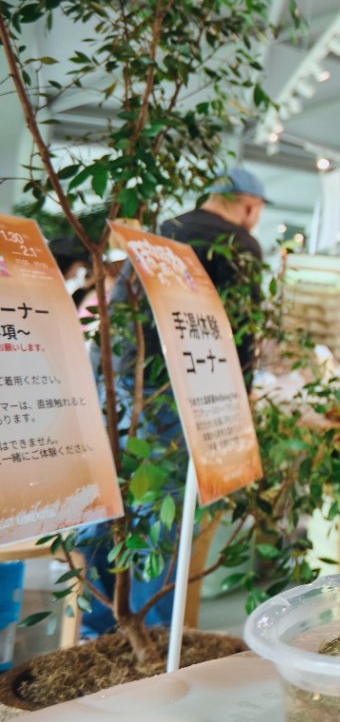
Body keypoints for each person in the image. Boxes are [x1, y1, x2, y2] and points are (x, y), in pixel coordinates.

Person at [81, 167, 268, 636]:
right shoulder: (241, 245)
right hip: (176, 394)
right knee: (159, 513)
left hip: (118, 384)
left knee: (110, 503)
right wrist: (237, 409)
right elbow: (239, 336)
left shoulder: (162, 231)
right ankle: (151, 635)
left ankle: (99, 628)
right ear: (248, 205)